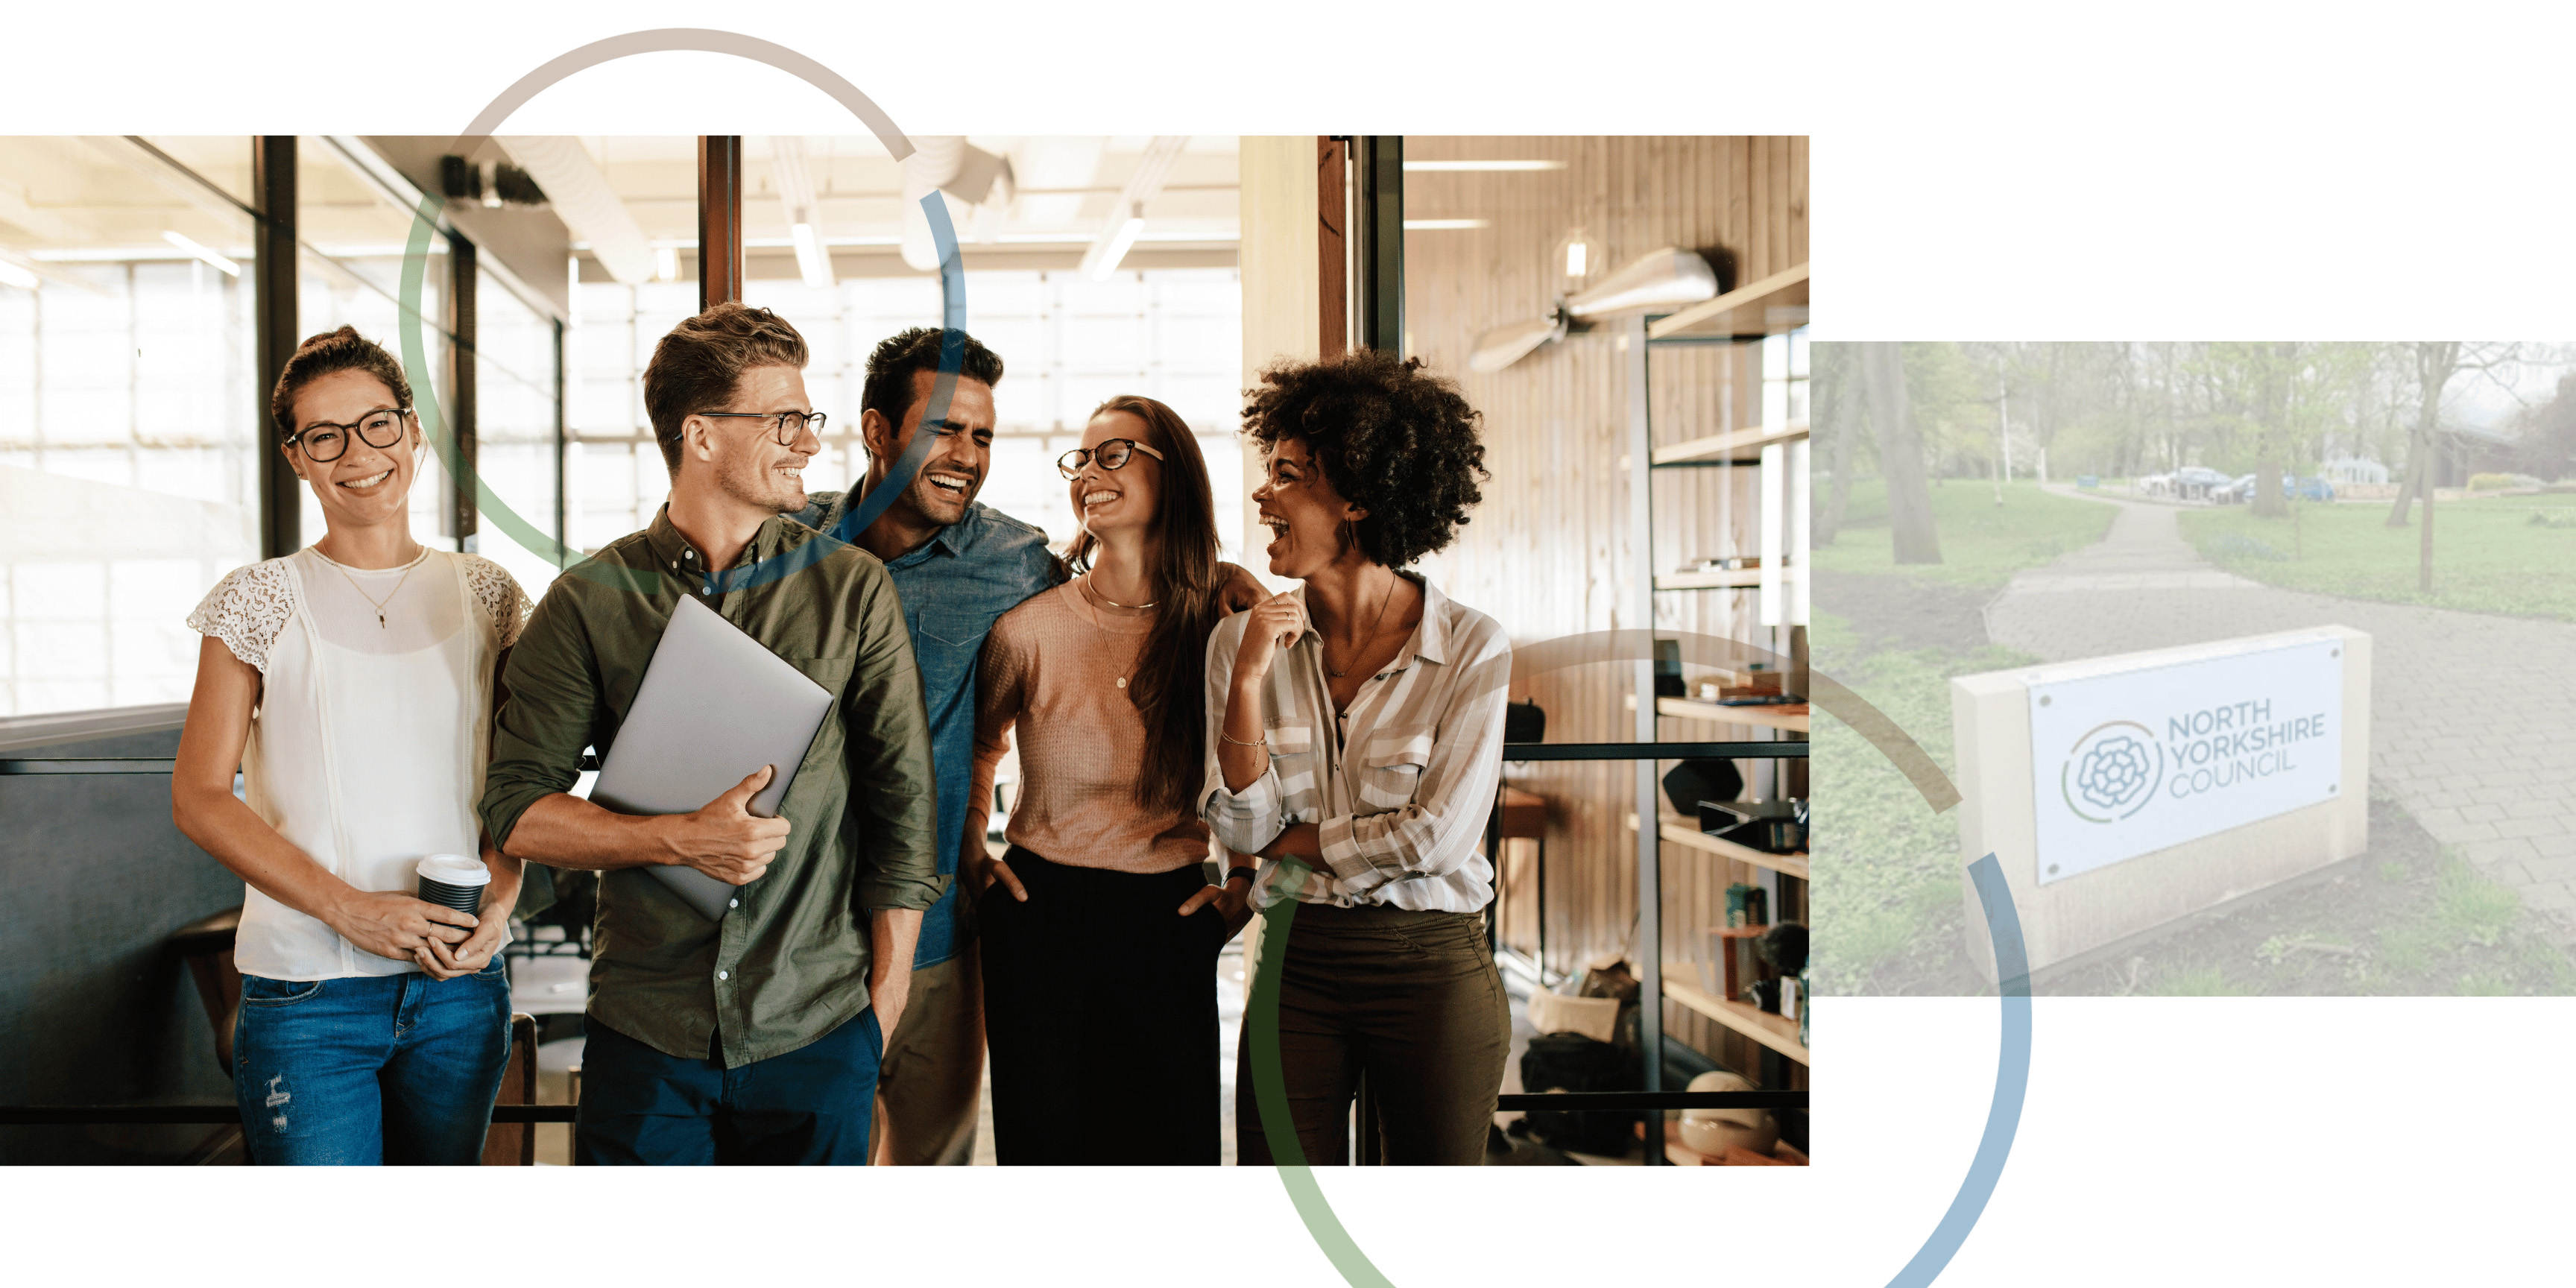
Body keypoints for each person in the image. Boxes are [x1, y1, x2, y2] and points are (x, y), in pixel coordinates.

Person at [789, 331, 1271, 1165]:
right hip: (791, 924)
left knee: (951, 1160)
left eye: (983, 436)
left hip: (949, 920)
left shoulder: (1015, 568)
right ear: (876, 432)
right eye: (945, 429)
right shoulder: (783, 545)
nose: (967, 456)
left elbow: (1137, 585)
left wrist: (1225, 583)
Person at [478, 303, 940, 1166]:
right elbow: (516, 810)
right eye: (785, 420)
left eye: (809, 419)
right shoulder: (589, 601)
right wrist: (679, 840)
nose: (808, 441)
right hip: (647, 1029)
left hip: (818, 1021)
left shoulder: (852, 590)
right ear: (701, 435)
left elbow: (904, 811)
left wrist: (882, 1003)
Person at [173, 326, 529, 1165]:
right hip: (308, 993)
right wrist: (350, 910)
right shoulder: (256, 599)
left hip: (457, 988)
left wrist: (502, 900)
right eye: (323, 436)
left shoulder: (489, 593)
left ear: (413, 432)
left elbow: (525, 780)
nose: (357, 453)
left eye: (376, 424)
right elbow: (198, 796)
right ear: (299, 458)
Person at [1201, 349, 1514, 1167]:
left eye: (1288, 474)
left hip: (1433, 965)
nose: (1264, 494)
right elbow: (1242, 823)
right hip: (1292, 966)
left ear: (1360, 497)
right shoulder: (1242, 641)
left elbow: (1436, 841)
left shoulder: (1472, 647)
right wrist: (1246, 682)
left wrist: (1293, 843)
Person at [970, 395, 1247, 1164]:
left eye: (1114, 453)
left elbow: (1269, 771)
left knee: (1171, 1152)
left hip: (1168, 913)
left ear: (1175, 474)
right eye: (1082, 459)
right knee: (1044, 1150)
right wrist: (972, 852)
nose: (1090, 472)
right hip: (1039, 910)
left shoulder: (1220, 622)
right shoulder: (1029, 628)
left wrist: (1250, 879)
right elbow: (980, 749)